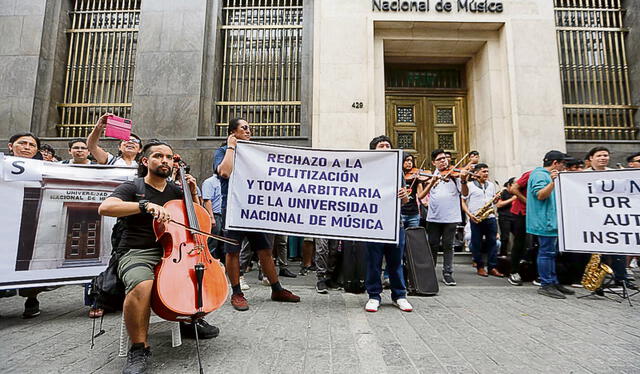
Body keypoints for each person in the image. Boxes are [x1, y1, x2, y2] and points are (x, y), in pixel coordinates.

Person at [98, 140, 219, 374]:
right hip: (138, 251)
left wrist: (192, 193)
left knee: (204, 275)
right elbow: (106, 207)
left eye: (169, 157)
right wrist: (144, 206)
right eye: (158, 156)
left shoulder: (176, 190)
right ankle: (139, 348)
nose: (165, 161)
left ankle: (188, 319)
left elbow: (196, 223)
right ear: (145, 161)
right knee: (142, 284)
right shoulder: (132, 187)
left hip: (176, 250)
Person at [213, 118, 300, 311]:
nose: (248, 131)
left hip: (254, 210)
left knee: (265, 250)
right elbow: (225, 172)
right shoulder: (222, 152)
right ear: (232, 132)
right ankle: (236, 292)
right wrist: (230, 147)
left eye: (249, 128)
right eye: (244, 128)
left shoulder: (252, 154)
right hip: (234, 210)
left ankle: (276, 289)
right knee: (232, 251)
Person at [364, 135, 412, 313]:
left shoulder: (398, 172)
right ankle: (373, 296)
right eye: (381, 145)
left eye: (388, 145)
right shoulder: (367, 170)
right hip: (373, 224)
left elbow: (405, 201)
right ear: (373, 151)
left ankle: (399, 295)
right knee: (373, 262)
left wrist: (404, 196)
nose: (385, 147)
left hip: (395, 224)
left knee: (395, 261)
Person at [585, 147, 637, 290]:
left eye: (606, 155)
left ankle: (622, 278)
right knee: (597, 253)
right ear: (591, 159)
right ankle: (596, 282)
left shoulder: (615, 174)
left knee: (618, 250)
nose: (603, 158)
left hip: (613, 219)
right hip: (593, 219)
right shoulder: (582, 176)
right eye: (599, 155)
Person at [6, 132, 46, 317]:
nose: (27, 147)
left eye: (31, 145)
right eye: (22, 143)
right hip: (5, 220)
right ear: (10, 146)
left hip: (31, 220)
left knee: (29, 258)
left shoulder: (46, 168)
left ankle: (31, 298)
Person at [526, 150, 575, 299]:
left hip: (550, 220)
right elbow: (540, 195)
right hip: (544, 221)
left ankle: (553, 281)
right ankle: (546, 283)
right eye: (563, 164)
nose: (565, 167)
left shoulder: (545, 175)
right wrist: (553, 182)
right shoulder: (540, 175)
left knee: (551, 253)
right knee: (546, 252)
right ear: (555, 163)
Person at [422, 149, 469, 286]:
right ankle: (430, 272)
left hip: (451, 217)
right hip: (434, 217)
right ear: (433, 162)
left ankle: (448, 273)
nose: (443, 161)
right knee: (432, 245)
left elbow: (464, 194)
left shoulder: (455, 176)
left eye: (445, 158)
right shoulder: (429, 176)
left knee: (449, 245)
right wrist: (432, 181)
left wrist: (464, 180)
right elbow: (422, 195)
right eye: (440, 159)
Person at [461, 163, 504, 278]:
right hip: (476, 217)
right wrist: (469, 214)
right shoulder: (469, 185)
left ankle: (492, 267)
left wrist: (495, 200)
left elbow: (494, 202)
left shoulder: (490, 185)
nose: (486, 174)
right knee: (476, 243)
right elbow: (463, 201)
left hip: (490, 217)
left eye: (487, 171)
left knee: (493, 242)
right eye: (483, 171)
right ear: (476, 173)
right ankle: (480, 267)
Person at [201, 174, 223, 260]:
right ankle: (207, 261)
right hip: (214, 215)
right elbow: (207, 200)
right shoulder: (209, 182)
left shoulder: (226, 182)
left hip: (223, 215)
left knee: (222, 245)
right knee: (212, 243)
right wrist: (211, 217)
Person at [401, 153, 424, 228]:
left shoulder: (415, 175)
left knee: (413, 237)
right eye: (407, 160)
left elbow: (420, 195)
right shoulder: (397, 176)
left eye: (411, 161)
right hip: (400, 212)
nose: (410, 163)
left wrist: (419, 181)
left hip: (413, 213)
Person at [496, 177, 517, 257]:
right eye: (515, 184)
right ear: (509, 185)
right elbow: (498, 204)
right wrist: (511, 199)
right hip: (505, 217)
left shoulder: (517, 193)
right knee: (505, 237)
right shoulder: (503, 193)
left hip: (515, 217)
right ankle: (503, 254)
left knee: (518, 236)